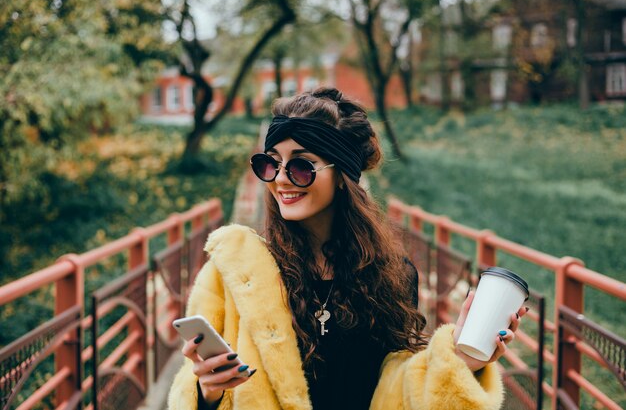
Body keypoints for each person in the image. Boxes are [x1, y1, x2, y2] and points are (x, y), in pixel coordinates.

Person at [168, 87, 526, 410]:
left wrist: (462, 361)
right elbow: (194, 389)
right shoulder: (235, 273)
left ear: (343, 177)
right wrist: (207, 393)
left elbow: (396, 391)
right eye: (271, 162)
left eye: (300, 166)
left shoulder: (393, 275)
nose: (279, 179)